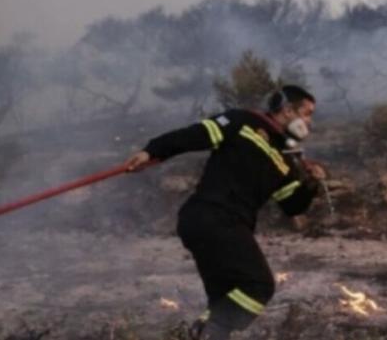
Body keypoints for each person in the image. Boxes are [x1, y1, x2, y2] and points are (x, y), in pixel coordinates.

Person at [124, 85, 324, 339]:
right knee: (258, 285)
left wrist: (311, 184)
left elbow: (293, 206)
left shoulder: (287, 158)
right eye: (307, 113)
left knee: (224, 301)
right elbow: (193, 136)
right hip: (213, 217)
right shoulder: (243, 121)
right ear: (286, 110)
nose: (309, 122)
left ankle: (202, 332)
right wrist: (151, 151)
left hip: (223, 224)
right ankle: (207, 331)